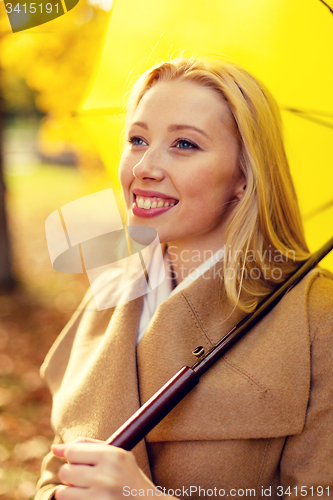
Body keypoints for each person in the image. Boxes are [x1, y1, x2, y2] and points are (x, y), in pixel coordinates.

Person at [35, 57, 333, 500]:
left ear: (243, 175)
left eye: (184, 145)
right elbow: (54, 474)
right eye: (137, 139)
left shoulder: (315, 315)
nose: (144, 168)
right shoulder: (110, 290)